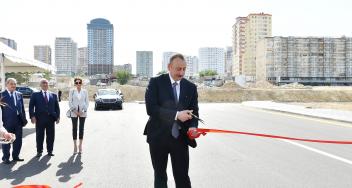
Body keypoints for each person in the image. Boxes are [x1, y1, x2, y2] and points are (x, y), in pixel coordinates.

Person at [144, 53, 200, 188]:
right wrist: (176, 115)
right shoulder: (155, 82)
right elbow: (151, 109)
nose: (181, 73)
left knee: (182, 177)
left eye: (184, 69)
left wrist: (193, 127)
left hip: (180, 139)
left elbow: (194, 112)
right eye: (178, 69)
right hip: (158, 138)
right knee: (160, 176)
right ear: (169, 67)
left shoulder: (191, 87)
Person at [29, 79, 60, 157]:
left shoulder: (53, 95)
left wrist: (58, 117)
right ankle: (39, 151)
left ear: (48, 85)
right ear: (40, 85)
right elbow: (31, 107)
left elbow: (57, 107)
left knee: (51, 136)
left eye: (46, 83)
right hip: (39, 119)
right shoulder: (35, 95)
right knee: (39, 136)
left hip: (51, 119)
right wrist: (32, 116)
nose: (45, 84)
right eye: (43, 83)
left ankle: (50, 151)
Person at [1, 78, 27, 164]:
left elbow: (22, 108)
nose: (13, 85)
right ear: (6, 85)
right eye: (11, 84)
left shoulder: (19, 94)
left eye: (15, 84)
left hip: (18, 121)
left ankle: (16, 156)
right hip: (6, 122)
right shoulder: (1, 95)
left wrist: (24, 119)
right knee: (6, 140)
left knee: (18, 140)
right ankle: (6, 157)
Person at [68, 77, 89, 154]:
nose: (78, 84)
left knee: (81, 129)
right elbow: (70, 102)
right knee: (74, 128)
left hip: (83, 112)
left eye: (79, 82)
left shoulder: (85, 91)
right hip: (74, 112)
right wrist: (75, 111)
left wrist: (83, 111)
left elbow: (87, 102)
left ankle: (80, 145)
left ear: (81, 83)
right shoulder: (72, 91)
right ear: (75, 84)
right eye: (76, 83)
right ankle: (75, 146)